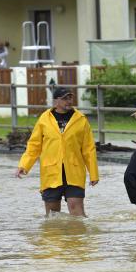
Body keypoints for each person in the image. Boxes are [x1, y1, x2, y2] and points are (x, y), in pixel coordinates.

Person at [15, 87, 99, 217]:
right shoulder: (44, 119)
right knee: (53, 216)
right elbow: (34, 145)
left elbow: (88, 149)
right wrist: (24, 165)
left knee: (77, 212)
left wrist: (93, 173)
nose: (69, 101)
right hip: (51, 172)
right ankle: (56, 237)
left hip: (74, 172)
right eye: (65, 98)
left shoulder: (81, 119)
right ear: (56, 101)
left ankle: (79, 237)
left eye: (70, 97)